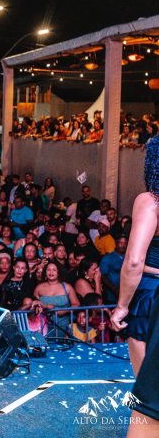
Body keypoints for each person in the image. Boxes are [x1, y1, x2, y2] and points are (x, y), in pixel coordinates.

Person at [111, 136, 159, 435]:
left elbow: (133, 261)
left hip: (151, 295)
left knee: (149, 394)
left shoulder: (151, 200)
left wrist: (122, 305)